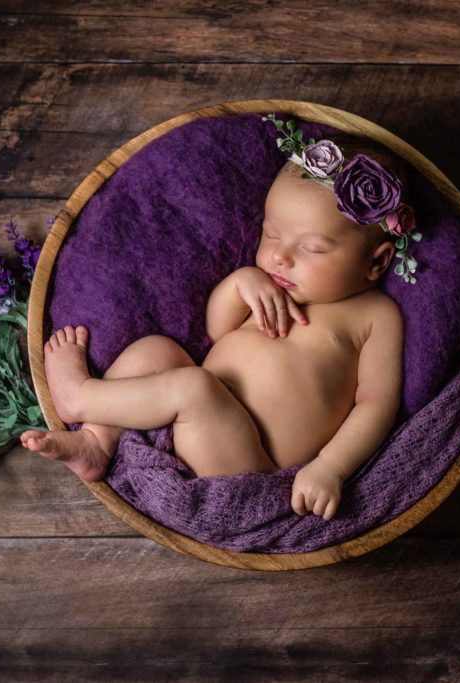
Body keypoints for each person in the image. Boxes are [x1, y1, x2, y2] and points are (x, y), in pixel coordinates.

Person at [21, 117, 422, 521]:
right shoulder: (271, 282)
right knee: (159, 351)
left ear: (377, 262)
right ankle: (96, 441)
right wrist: (240, 284)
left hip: (246, 462)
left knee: (194, 387)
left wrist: (331, 466)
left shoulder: (375, 316)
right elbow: (218, 331)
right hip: (204, 419)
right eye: (272, 235)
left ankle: (80, 397)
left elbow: (376, 404)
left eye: (313, 249)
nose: (281, 257)